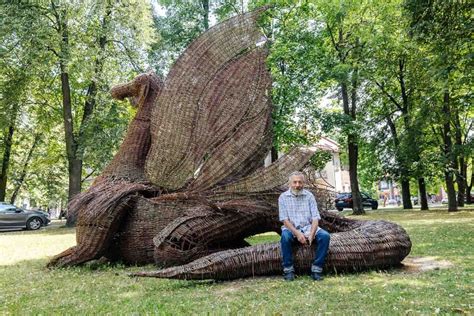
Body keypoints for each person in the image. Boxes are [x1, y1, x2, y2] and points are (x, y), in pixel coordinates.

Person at [279, 171, 330, 281]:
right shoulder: (283, 197)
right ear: (290, 183)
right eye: (295, 182)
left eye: (300, 182)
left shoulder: (309, 196)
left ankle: (317, 269)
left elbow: (315, 218)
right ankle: (288, 270)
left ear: (304, 183)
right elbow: (284, 220)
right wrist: (297, 234)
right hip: (291, 228)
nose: (297, 185)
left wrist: (311, 234)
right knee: (285, 237)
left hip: (308, 227)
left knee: (325, 236)